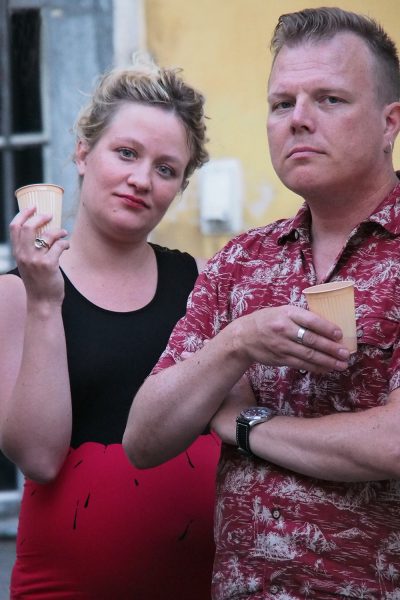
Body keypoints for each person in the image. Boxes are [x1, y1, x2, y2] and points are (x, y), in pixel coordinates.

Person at [123, 7, 400, 599]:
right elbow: (145, 437)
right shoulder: (241, 260)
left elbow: (393, 442)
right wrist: (237, 343)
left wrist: (244, 425)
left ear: (389, 122)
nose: (298, 120)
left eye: (329, 99)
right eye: (282, 104)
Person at [0, 58, 221, 599]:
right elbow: (39, 456)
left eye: (167, 169)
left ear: (180, 187)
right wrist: (46, 303)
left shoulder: (202, 284)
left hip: (204, 582)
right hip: (67, 586)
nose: (141, 179)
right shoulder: (17, 292)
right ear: (82, 152)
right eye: (126, 153)